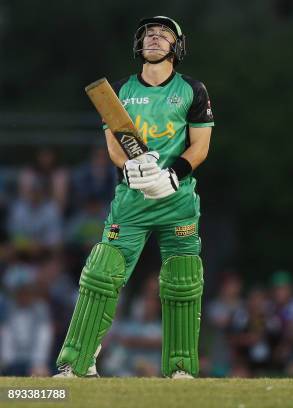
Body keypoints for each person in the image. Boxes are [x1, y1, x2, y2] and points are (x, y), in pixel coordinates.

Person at [54, 16, 214, 379]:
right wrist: (129, 170)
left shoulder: (193, 90)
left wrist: (174, 175)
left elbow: (201, 146)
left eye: (164, 35)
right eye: (149, 35)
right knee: (101, 273)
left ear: (178, 46)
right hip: (132, 199)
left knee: (182, 280)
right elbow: (114, 144)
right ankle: (76, 365)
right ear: (139, 46)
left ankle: (180, 370)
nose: (155, 39)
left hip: (177, 201)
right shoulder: (120, 91)